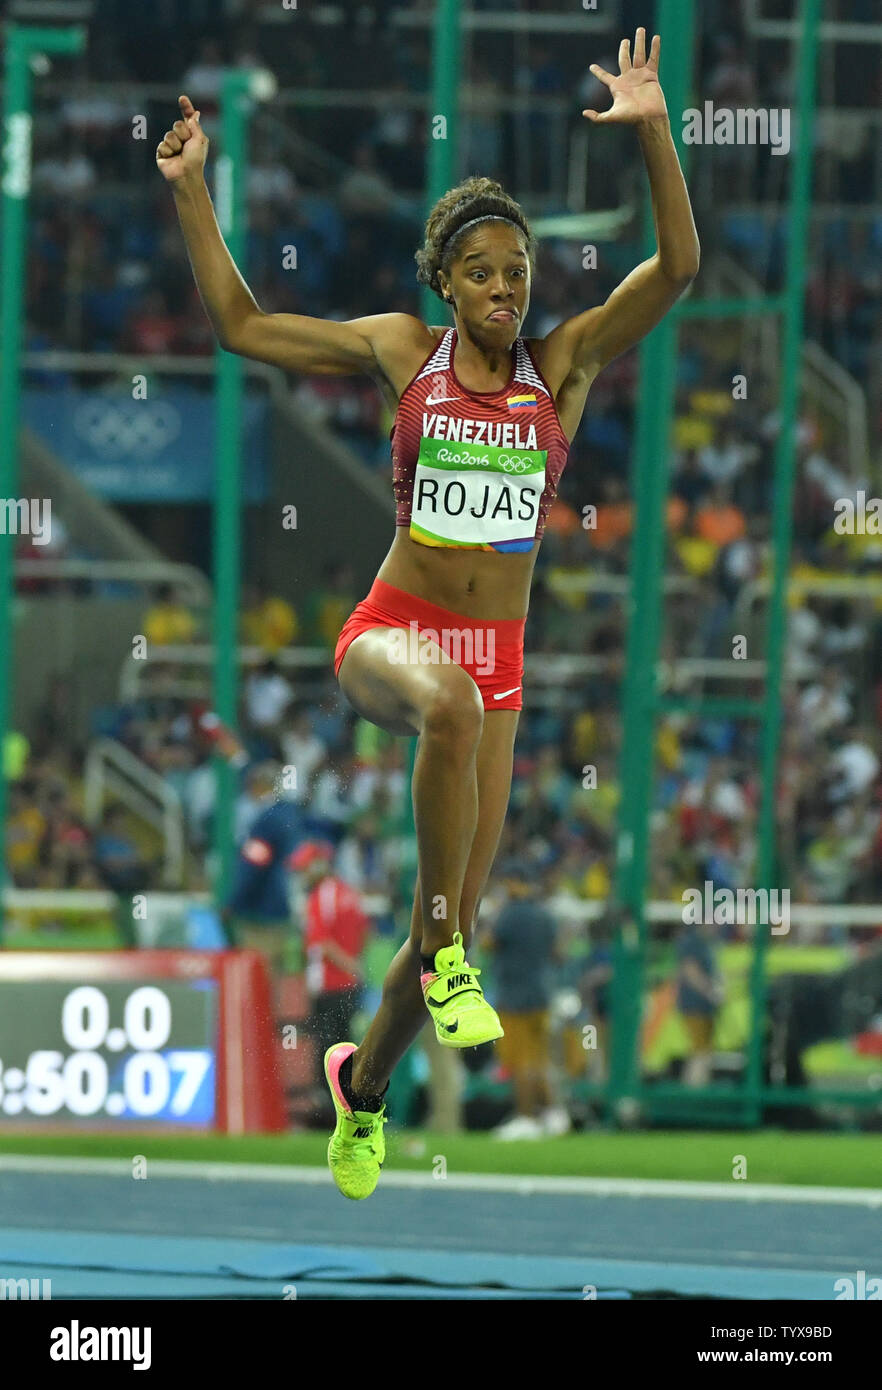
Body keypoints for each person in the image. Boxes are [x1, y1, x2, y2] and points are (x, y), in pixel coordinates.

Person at [158, 27, 699, 1198]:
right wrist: (196, 189)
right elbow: (244, 327)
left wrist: (656, 130)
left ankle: (365, 1085)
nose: (509, 289)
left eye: (520, 272)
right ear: (445, 284)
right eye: (486, 273)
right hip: (391, 636)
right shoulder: (407, 356)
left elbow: (678, 267)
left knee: (421, 941)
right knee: (446, 727)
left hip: (497, 664)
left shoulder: (565, 368)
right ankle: (450, 950)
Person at [484, 860, 569, 1139]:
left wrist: (495, 914)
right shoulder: (544, 914)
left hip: (515, 997)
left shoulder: (509, 914)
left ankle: (526, 1117)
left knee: (520, 1062)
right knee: (540, 1060)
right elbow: (558, 954)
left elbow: (487, 943)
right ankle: (554, 1114)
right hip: (542, 994)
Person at [292, 840, 370, 1115]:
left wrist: (349, 966)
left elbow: (320, 942)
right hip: (348, 985)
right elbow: (363, 933)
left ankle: (327, 1109)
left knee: (326, 1048)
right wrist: (356, 966)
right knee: (346, 1046)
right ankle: (349, 1104)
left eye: (303, 869)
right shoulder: (349, 893)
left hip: (330, 984)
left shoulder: (320, 897)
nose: (301, 875)